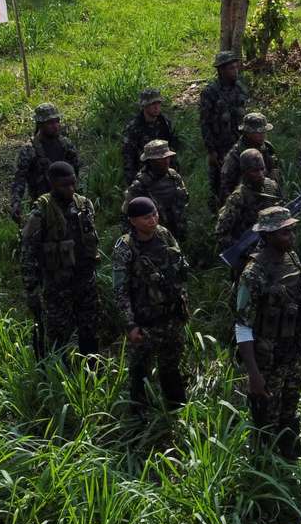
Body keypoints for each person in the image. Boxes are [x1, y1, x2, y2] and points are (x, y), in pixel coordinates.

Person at [234, 206, 301, 459]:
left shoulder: (292, 259)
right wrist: (254, 374)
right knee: (265, 415)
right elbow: (242, 325)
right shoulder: (253, 273)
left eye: (291, 231)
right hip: (267, 358)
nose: (291, 237)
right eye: (284, 232)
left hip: (293, 351)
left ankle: (291, 460)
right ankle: (264, 464)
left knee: (290, 409)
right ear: (268, 236)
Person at [113, 197, 190, 414]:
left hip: (171, 316)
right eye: (146, 217)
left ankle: (176, 412)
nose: (153, 220)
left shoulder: (164, 235)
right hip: (144, 320)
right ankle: (139, 418)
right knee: (140, 371)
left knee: (171, 367)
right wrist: (130, 325)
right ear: (133, 221)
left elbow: (179, 271)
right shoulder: (125, 247)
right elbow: (120, 290)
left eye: (155, 214)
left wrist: (183, 305)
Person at [20, 161, 100, 359]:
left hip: (85, 280)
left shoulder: (84, 205)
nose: (70, 189)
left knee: (90, 329)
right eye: (64, 185)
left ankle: (91, 368)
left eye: (73, 183)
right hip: (57, 283)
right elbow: (28, 251)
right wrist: (31, 287)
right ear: (53, 184)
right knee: (59, 333)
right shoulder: (42, 210)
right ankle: (58, 370)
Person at [11, 103, 81, 225]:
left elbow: (76, 170)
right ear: (40, 124)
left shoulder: (65, 144)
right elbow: (19, 179)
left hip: (67, 202)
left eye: (57, 121)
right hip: (43, 206)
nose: (55, 126)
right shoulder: (30, 149)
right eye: (50, 123)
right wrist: (16, 203)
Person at [199, 50, 250, 209]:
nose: (235, 71)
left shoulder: (240, 88)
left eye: (236, 67)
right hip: (220, 146)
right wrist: (211, 150)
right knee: (219, 183)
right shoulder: (210, 92)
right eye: (231, 68)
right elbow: (205, 122)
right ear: (221, 70)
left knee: (240, 179)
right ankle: (218, 213)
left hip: (239, 143)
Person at [215, 148, 281, 254]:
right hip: (250, 250)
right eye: (255, 171)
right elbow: (221, 233)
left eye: (262, 169)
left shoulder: (272, 186)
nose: (260, 174)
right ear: (245, 172)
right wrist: (243, 249)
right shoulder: (238, 198)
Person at [122, 140, 190, 242]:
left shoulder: (173, 175)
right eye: (160, 159)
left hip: (177, 229)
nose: (166, 161)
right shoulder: (140, 185)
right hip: (154, 237)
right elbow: (128, 214)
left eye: (167, 157)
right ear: (150, 161)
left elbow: (184, 198)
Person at [121, 89, 180, 183]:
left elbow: (172, 148)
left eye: (158, 103)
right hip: (144, 173)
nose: (156, 107)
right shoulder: (134, 128)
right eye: (153, 104)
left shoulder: (165, 123)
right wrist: (132, 179)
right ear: (144, 106)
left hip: (165, 171)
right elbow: (128, 156)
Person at [220, 112, 281, 198]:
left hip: (267, 194)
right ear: (247, 133)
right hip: (244, 199)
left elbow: (275, 173)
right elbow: (226, 186)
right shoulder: (235, 155)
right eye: (258, 132)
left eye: (264, 131)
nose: (262, 135)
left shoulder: (268, 148)